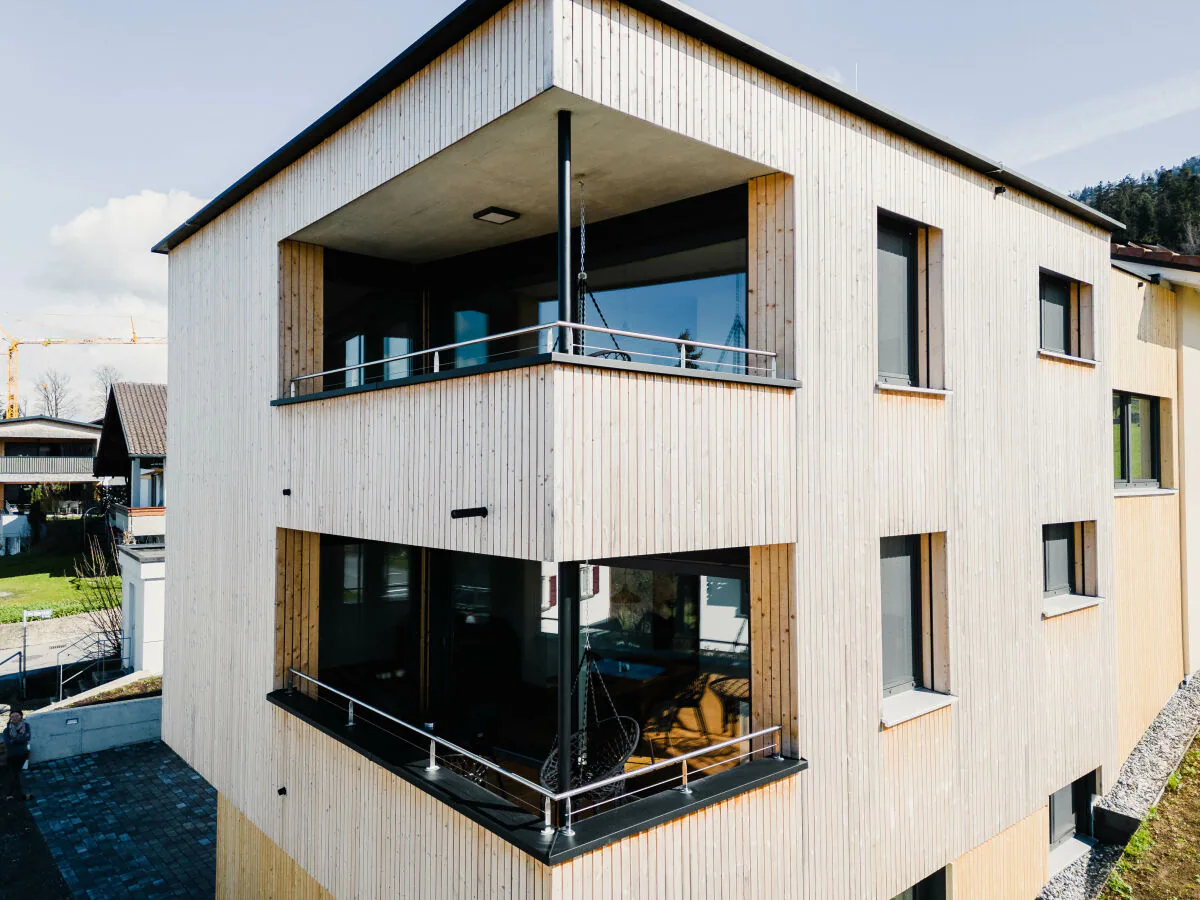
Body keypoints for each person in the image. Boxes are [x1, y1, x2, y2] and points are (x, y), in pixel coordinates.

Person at [3, 709, 31, 801]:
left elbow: (27, 737)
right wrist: (19, 739)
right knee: (15, 774)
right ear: (10, 718)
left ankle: (12, 794)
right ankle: (22, 793)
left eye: (17, 716)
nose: (14, 717)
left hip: (23, 754)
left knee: (17, 774)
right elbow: (7, 742)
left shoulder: (26, 726)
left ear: (21, 717)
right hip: (12, 755)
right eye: (12, 716)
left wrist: (14, 740)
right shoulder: (7, 730)